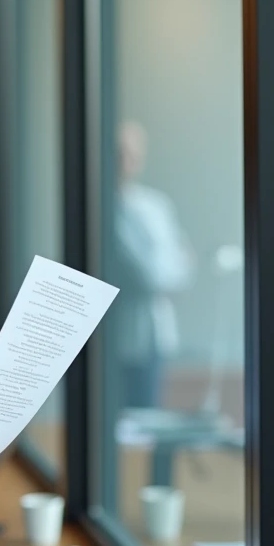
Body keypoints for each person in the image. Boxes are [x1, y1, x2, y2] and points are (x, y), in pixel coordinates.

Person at [107, 121, 195, 409]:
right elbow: (149, 275)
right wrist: (169, 264)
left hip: (157, 335)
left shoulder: (156, 205)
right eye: (122, 151)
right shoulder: (103, 208)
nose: (129, 159)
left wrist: (169, 267)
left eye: (134, 151)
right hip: (121, 338)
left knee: (150, 415)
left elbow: (185, 268)